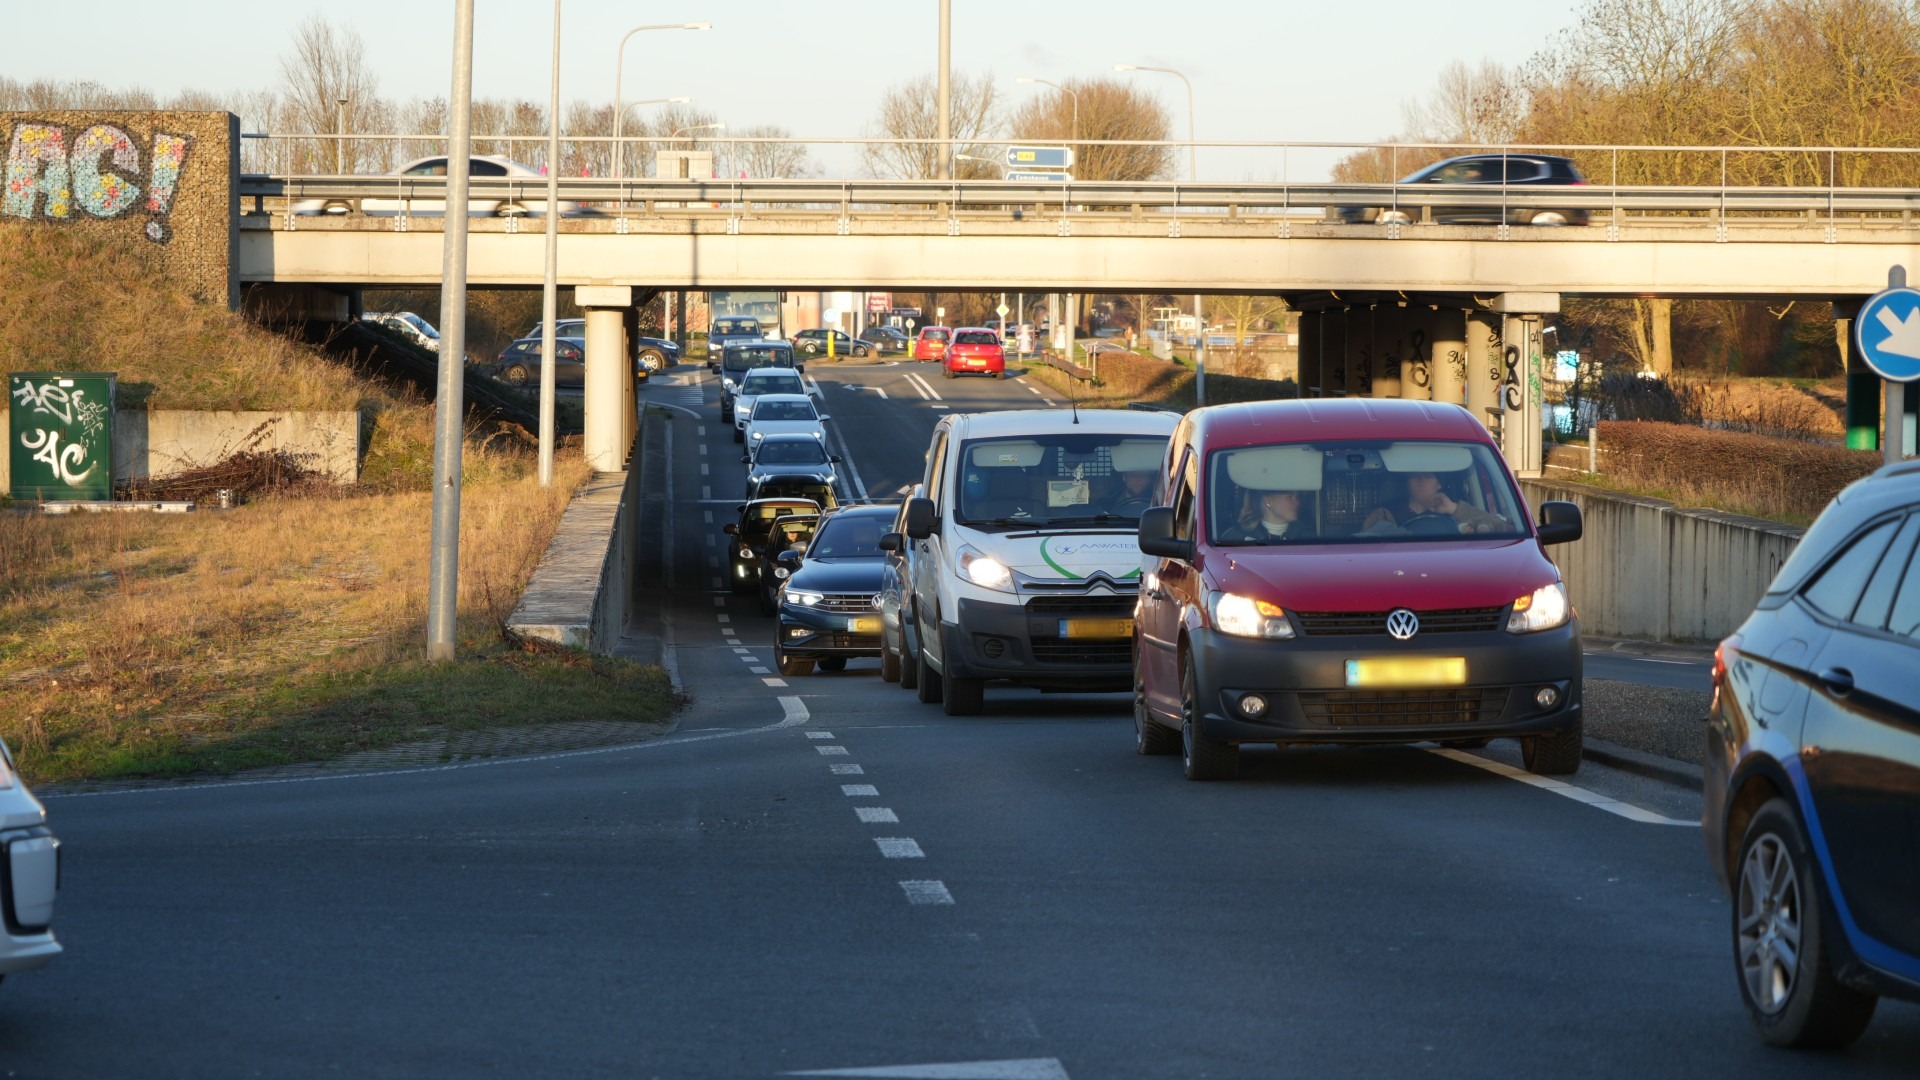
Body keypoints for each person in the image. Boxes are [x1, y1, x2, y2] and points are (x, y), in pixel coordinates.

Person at [1362, 472, 1505, 534]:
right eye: (1415, 476)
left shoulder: (1456, 512)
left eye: (1427, 476)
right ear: (1407, 483)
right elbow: (1364, 550)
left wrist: (1454, 509)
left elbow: (1497, 525)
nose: (1420, 481)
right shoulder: (1384, 515)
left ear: (1439, 484)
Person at [1221, 488, 1315, 543]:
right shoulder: (1235, 537)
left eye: (1297, 497)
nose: (1298, 503)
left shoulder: (1308, 537)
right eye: (1290, 497)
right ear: (1268, 502)